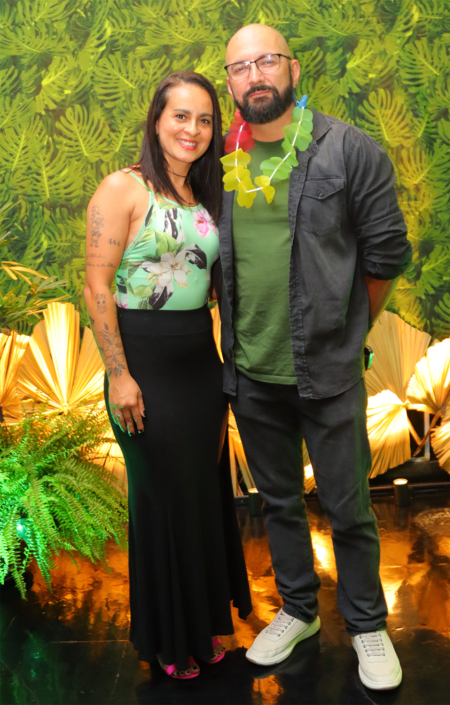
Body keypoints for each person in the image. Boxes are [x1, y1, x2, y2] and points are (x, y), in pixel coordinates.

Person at [217, 25, 412, 690]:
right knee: (277, 501)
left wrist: (348, 325)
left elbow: (386, 253)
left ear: (293, 69)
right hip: (250, 370)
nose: (255, 75)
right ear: (230, 83)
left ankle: (366, 624)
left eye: (266, 60)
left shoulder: (348, 149)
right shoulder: (222, 159)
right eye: (240, 66)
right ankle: (299, 610)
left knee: (348, 505)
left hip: (327, 369)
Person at [84, 71, 251, 680]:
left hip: (199, 365)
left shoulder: (206, 196)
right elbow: (96, 284)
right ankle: (167, 639)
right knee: (162, 501)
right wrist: (119, 375)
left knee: (200, 496)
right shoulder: (123, 188)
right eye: (181, 116)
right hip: (143, 363)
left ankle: (202, 626)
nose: (193, 129)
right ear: (157, 120)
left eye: (205, 119)